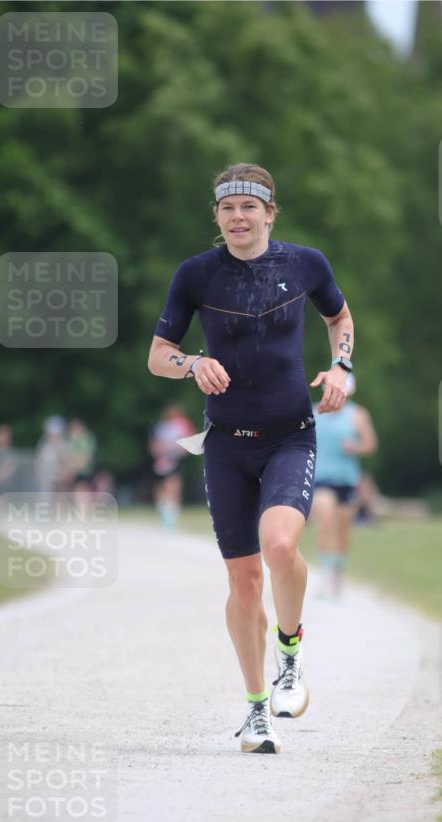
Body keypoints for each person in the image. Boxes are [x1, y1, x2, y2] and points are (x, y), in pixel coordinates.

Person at [148, 163, 354, 754]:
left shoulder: (306, 264)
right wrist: (192, 364)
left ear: (269, 213)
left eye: (249, 207)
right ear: (216, 216)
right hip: (225, 444)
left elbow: (339, 316)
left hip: (291, 434)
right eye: (227, 208)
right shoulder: (196, 275)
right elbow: (158, 355)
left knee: (281, 545)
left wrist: (342, 365)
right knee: (243, 583)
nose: (238, 218)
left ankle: (290, 653)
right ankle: (256, 708)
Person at [312, 375, 378, 599]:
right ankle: (325, 574)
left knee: (342, 530)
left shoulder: (357, 415)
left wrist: (356, 447)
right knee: (325, 521)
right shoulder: (313, 413)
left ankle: (337, 573)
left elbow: (370, 444)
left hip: (347, 480)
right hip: (320, 479)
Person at [148, 404, 195, 528]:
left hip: (175, 461)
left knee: (174, 487)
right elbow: (154, 447)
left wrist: (175, 448)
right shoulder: (160, 427)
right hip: (161, 462)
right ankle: (164, 513)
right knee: (160, 490)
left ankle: (172, 518)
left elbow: (186, 444)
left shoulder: (182, 425)